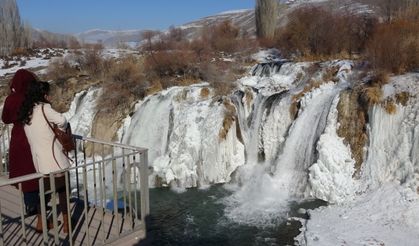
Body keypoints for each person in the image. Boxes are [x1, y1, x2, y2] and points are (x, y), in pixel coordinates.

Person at [18, 81, 71, 233]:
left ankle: (41, 223)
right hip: (55, 159)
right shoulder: (44, 108)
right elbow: (62, 120)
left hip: (40, 162)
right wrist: (60, 129)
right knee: (63, 191)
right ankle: (67, 225)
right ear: (43, 94)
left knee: (44, 193)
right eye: (47, 93)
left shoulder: (27, 111)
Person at [1, 69, 41, 217]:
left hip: (19, 138)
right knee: (38, 170)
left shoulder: (11, 99)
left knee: (25, 173)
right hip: (36, 136)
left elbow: (5, 119)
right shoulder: (34, 96)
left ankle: (31, 206)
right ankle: (40, 204)